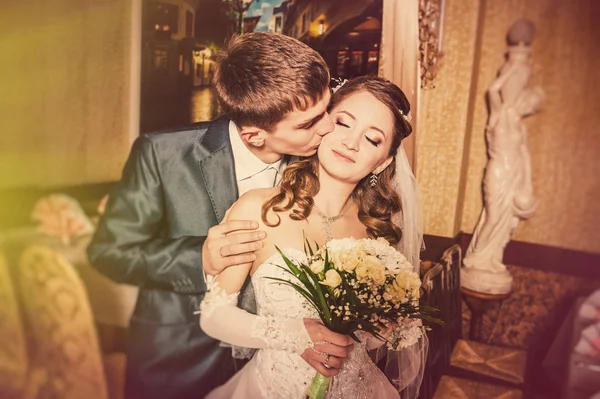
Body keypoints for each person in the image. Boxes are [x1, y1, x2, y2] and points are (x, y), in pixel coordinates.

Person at [87, 32, 353, 399]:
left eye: (326, 108)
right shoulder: (161, 154)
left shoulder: (327, 161)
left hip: (279, 365)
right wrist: (200, 258)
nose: (327, 127)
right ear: (255, 135)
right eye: (308, 123)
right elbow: (109, 252)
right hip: (180, 358)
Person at [200, 76, 425, 399]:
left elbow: (369, 338)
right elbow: (214, 316)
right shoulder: (259, 208)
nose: (351, 143)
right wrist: (295, 335)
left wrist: (384, 329)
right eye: (343, 123)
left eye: (373, 139)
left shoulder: (379, 230)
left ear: (385, 160)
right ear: (320, 123)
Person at [462, 20, 544, 294]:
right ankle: (476, 258)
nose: (530, 107)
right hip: (498, 172)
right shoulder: (500, 115)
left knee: (504, 221)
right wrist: (512, 71)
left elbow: (524, 157)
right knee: (494, 215)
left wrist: (528, 185)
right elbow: (492, 90)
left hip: (514, 172)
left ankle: (491, 260)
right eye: (530, 102)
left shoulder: (519, 126)